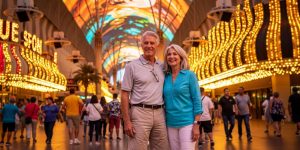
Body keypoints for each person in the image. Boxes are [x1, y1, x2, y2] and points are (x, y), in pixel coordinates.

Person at [121, 31, 169, 150]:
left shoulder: (162, 66)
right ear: (141, 45)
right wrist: (127, 121)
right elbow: (124, 94)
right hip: (139, 113)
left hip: (160, 114)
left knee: (161, 147)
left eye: (152, 43)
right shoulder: (131, 66)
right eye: (146, 43)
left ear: (157, 45)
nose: (149, 46)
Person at [163, 44, 202, 150]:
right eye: (169, 54)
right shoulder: (165, 77)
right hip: (170, 123)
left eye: (175, 54)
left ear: (180, 57)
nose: (171, 57)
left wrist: (196, 125)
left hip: (187, 123)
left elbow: (197, 101)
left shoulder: (189, 75)